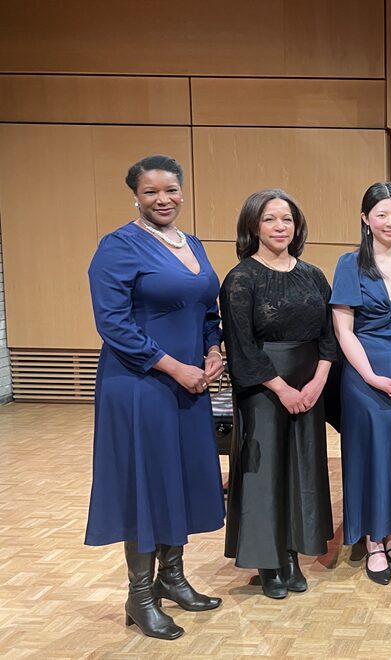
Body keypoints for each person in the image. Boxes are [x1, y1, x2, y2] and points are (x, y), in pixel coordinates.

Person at [86, 154, 224, 640]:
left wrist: (211, 350)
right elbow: (113, 324)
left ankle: (172, 578)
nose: (163, 199)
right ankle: (139, 595)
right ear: (136, 197)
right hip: (140, 383)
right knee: (146, 482)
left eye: (170, 190)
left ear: (182, 192)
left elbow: (208, 306)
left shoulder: (194, 243)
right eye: (151, 192)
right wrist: (174, 367)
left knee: (178, 477)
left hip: (192, 381)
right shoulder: (118, 246)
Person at [220, 189, 336, 599]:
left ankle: (291, 553)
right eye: (270, 219)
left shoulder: (314, 275)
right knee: (265, 473)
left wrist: (318, 381)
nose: (279, 227)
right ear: (253, 225)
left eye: (286, 219)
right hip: (264, 388)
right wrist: (282, 388)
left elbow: (329, 335)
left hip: (310, 384)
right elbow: (241, 345)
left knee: (302, 469)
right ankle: (268, 561)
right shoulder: (241, 278)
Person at [330, 182, 391, 586]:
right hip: (364, 376)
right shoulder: (349, 263)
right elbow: (344, 330)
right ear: (365, 219)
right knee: (367, 454)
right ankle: (372, 540)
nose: (390, 222)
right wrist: (370, 375)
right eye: (382, 214)